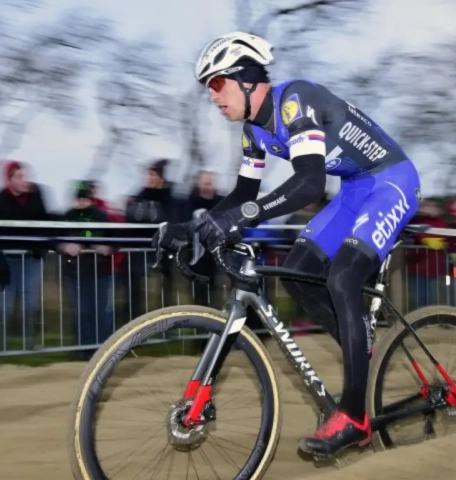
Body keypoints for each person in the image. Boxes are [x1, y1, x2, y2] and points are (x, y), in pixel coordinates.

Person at [154, 32, 422, 457]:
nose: (212, 97)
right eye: (208, 88)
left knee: (343, 278)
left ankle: (354, 418)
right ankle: (363, 345)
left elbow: (310, 183)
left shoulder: (295, 100)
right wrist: (191, 227)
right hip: (355, 189)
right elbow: (242, 196)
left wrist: (239, 220)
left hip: (392, 181)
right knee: (299, 275)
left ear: (246, 80)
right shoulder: (252, 132)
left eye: (217, 84)